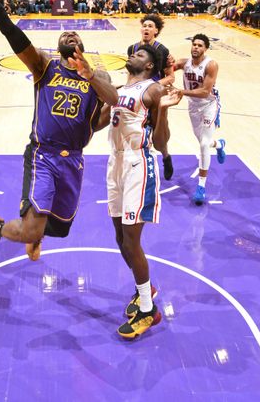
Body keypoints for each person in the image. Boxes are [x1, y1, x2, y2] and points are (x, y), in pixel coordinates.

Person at [0, 0, 119, 263]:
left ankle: (35, 232)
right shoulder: (44, 67)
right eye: (64, 35)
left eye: (75, 34)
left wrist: (89, 78)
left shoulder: (97, 77)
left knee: (58, 228)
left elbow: (110, 102)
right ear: (59, 47)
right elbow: (10, 31)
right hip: (43, 155)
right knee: (31, 229)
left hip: (73, 159)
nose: (70, 33)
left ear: (82, 47)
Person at [104, 43, 182, 338]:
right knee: (120, 238)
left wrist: (162, 112)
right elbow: (101, 123)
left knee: (132, 240)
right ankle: (145, 288)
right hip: (115, 163)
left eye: (140, 54)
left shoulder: (152, 90)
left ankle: (149, 310)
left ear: (150, 66)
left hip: (139, 164)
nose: (133, 55)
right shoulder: (121, 89)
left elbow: (161, 141)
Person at [172, 33, 226, 205]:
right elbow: (167, 68)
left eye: (200, 45)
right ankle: (219, 144)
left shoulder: (211, 65)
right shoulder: (183, 63)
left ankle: (201, 186)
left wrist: (181, 91)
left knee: (203, 144)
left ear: (206, 49)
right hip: (193, 106)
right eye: (194, 44)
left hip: (209, 105)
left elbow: (204, 92)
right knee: (204, 141)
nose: (196, 47)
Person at [127, 14, 176, 179]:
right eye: (144, 25)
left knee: (158, 129)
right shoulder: (132, 48)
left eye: (150, 26)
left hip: (155, 95)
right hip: (137, 95)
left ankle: (165, 155)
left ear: (156, 31)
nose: (146, 28)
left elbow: (170, 77)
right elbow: (131, 74)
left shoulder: (163, 51)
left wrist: (151, 86)